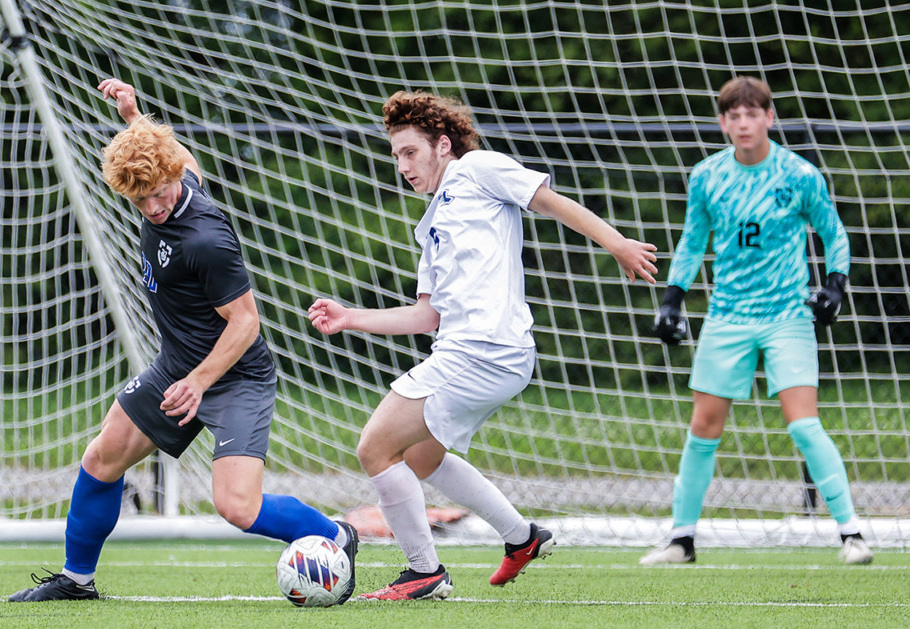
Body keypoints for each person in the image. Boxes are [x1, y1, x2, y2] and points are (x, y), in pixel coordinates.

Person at [9, 78, 358, 602]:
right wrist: (134, 116)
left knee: (237, 507)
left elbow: (245, 323)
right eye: (139, 197)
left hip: (235, 375)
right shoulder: (170, 174)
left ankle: (337, 536)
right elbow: (175, 153)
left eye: (158, 193)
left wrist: (198, 382)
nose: (152, 207)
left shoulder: (205, 238)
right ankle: (77, 580)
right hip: (179, 368)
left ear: (174, 179)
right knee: (101, 459)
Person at [309, 90, 658, 601]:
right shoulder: (429, 226)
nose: (402, 165)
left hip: (486, 349)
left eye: (410, 152)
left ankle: (423, 572)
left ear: (443, 145)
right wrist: (350, 318)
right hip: (469, 351)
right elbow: (426, 315)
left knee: (375, 447)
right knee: (422, 455)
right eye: (395, 155)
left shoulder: (478, 169)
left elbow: (552, 202)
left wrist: (617, 243)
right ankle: (522, 536)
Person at [640, 76, 872, 566]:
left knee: (803, 423)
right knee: (703, 426)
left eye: (753, 114)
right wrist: (672, 299)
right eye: (734, 116)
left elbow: (834, 231)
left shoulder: (800, 174)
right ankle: (681, 540)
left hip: (787, 315)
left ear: (770, 118)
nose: (743, 123)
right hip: (727, 315)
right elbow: (692, 240)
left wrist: (835, 284)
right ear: (724, 123)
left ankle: (852, 534)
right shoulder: (706, 176)